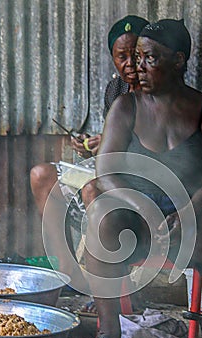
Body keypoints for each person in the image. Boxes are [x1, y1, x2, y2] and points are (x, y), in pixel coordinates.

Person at [79, 19, 202, 338]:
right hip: (139, 226)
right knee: (102, 212)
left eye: (150, 58)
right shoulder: (125, 106)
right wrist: (143, 205)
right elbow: (106, 171)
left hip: (192, 227)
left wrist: (186, 210)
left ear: (178, 61)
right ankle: (109, 336)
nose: (139, 67)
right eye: (136, 58)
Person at [30, 15, 149, 291]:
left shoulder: (160, 93)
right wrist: (90, 145)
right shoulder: (116, 89)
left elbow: (160, 154)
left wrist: (110, 147)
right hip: (107, 173)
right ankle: (71, 275)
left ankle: (104, 288)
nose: (130, 64)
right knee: (41, 175)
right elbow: (112, 141)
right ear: (112, 58)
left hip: (137, 191)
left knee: (93, 189)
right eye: (122, 56)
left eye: (136, 55)